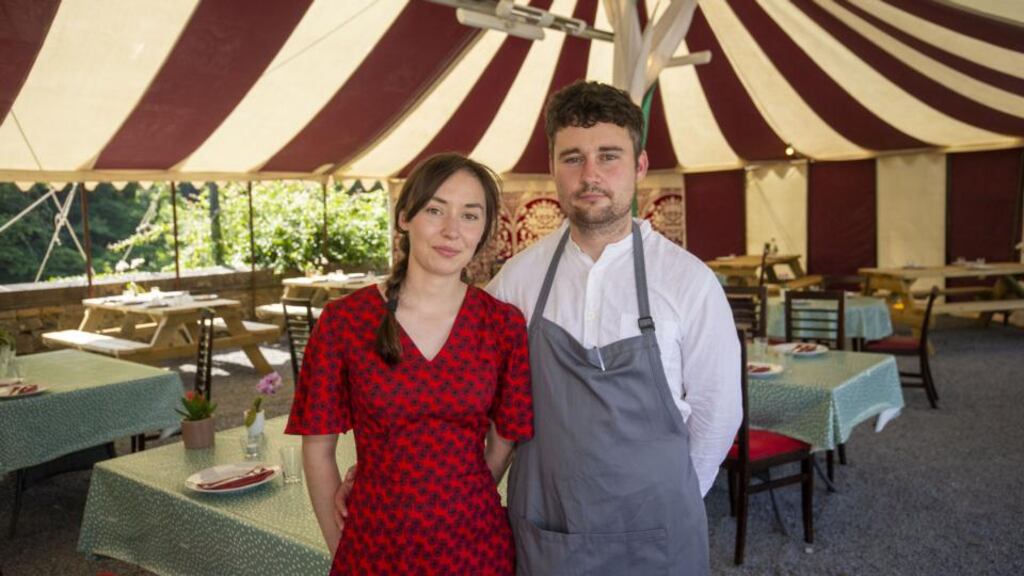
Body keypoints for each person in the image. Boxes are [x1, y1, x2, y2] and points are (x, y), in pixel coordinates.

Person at [489, 81, 741, 575]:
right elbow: (473, 393)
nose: (591, 175)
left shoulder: (688, 281)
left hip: (659, 535)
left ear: (640, 166)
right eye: (573, 158)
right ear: (553, 170)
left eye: (609, 156)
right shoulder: (517, 280)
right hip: (548, 529)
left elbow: (718, 412)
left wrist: (668, 495)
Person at [286, 153, 533, 575]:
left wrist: (453, 496)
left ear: (484, 231)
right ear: (405, 217)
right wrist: (340, 546)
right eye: (436, 210)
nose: (452, 231)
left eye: (470, 216)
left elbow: (504, 439)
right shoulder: (345, 322)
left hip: (477, 547)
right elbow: (318, 447)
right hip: (375, 546)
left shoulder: (502, 325)